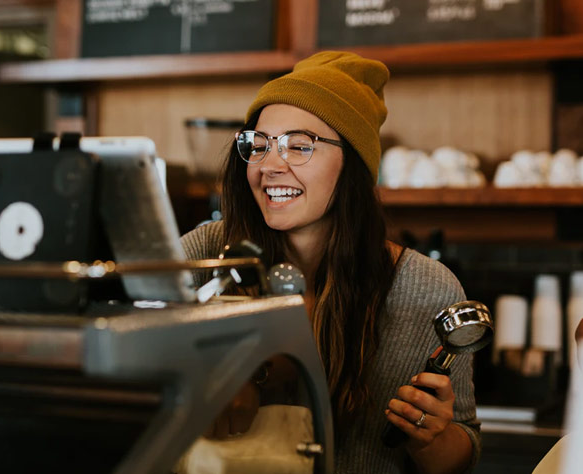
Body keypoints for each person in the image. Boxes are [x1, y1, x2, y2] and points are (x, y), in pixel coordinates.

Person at [181, 51, 480, 474]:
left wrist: (430, 435)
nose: (269, 166)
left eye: (299, 146)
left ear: (353, 165)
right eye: (258, 145)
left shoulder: (425, 287)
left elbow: (462, 452)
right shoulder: (201, 257)